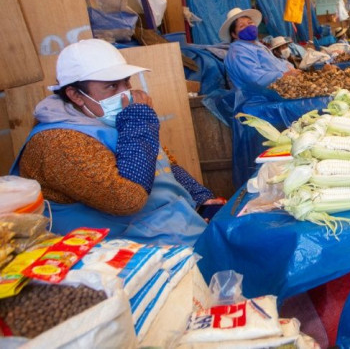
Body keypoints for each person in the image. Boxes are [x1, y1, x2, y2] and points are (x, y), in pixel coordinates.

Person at [10, 39, 226, 246]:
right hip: (115, 253)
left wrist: (200, 199)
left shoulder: (108, 116)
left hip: (164, 229)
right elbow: (127, 200)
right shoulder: (57, 142)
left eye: (127, 82)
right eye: (112, 86)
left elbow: (165, 163)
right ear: (75, 95)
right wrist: (139, 120)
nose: (126, 94)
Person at [220, 7, 300, 90]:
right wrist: (284, 75)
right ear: (234, 34)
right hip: (260, 98)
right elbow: (256, 79)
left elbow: (275, 62)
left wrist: (289, 67)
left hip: (282, 86)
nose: (248, 27)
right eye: (242, 26)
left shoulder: (257, 45)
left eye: (250, 23)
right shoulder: (238, 53)